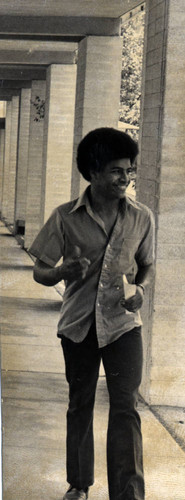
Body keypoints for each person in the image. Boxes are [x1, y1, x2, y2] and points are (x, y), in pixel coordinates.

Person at [29, 127, 155, 500]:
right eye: (117, 170)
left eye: (129, 170)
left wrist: (142, 290)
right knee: (80, 404)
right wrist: (61, 273)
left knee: (125, 408)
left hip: (123, 326)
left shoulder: (141, 217)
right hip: (79, 326)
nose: (125, 178)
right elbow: (41, 269)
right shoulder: (65, 217)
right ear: (94, 171)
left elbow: (147, 264)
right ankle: (79, 484)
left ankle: (128, 493)